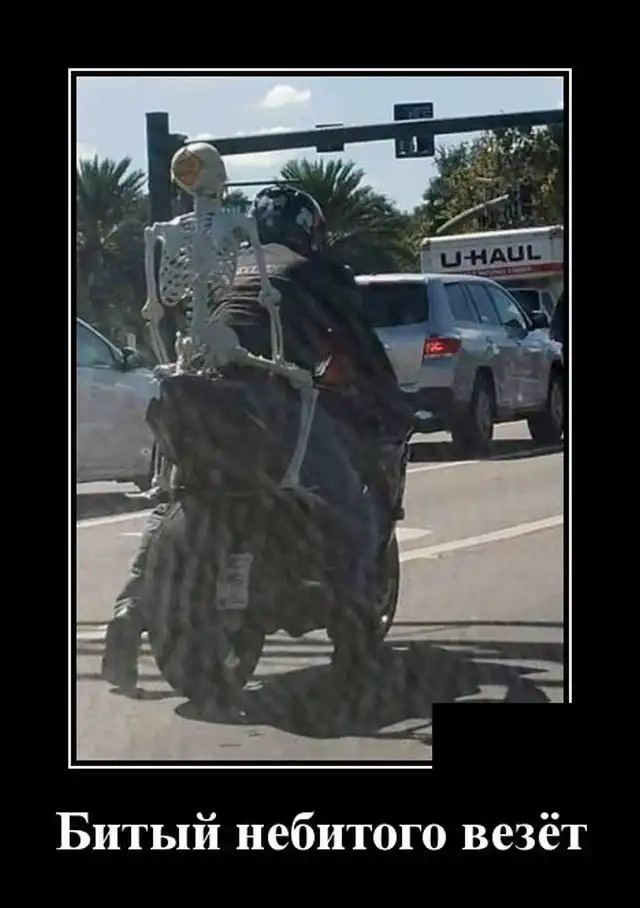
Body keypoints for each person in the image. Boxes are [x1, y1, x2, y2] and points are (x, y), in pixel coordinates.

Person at [101, 184, 412, 690]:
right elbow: (362, 350)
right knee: (353, 514)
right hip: (273, 408)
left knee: (180, 501)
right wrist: (395, 406)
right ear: (309, 232)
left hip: (197, 403)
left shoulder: (227, 271)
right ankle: (356, 643)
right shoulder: (317, 273)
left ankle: (128, 611)